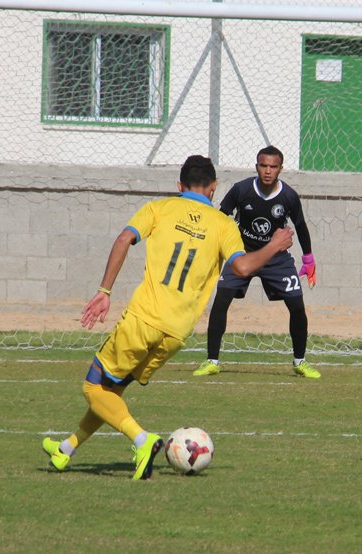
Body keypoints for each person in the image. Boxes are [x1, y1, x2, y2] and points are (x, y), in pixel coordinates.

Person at [41, 155, 294, 480]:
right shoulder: (224, 225)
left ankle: (143, 440)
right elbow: (243, 267)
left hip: (143, 318)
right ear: (214, 188)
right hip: (177, 333)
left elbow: (123, 240)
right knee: (111, 391)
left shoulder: (158, 208)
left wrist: (104, 291)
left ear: (179, 185)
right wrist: (274, 245)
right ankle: (66, 450)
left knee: (92, 387)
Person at [192, 145, 320, 379]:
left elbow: (300, 226)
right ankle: (211, 361)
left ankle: (300, 361)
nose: (268, 171)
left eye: (273, 166)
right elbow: (221, 219)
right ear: (257, 166)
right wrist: (213, 250)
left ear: (280, 168)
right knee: (221, 301)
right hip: (241, 254)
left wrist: (308, 259)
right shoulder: (241, 190)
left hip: (277, 258)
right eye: (263, 166)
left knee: (297, 306)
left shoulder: (289, 196)